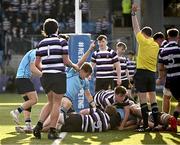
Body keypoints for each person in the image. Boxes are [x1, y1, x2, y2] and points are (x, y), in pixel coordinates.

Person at [33, 18, 79, 140]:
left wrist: (46, 69)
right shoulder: (61, 41)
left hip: (46, 76)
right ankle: (52, 130)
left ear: (45, 30)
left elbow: (37, 64)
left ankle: (38, 126)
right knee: (57, 104)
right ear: (57, 29)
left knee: (50, 102)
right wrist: (75, 66)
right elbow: (66, 61)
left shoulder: (41, 43)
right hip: (58, 75)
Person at [131, 4, 160, 131]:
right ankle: (158, 124)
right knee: (153, 100)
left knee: (143, 101)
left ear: (144, 34)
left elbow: (135, 28)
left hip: (142, 73)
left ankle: (146, 125)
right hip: (152, 74)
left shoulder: (143, 41)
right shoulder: (156, 45)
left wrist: (133, 14)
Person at [60, 41, 97, 120]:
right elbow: (82, 60)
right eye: (87, 75)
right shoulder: (74, 72)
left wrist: (94, 105)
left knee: (74, 118)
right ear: (82, 71)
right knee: (62, 113)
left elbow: (88, 94)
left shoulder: (85, 81)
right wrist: (90, 49)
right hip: (61, 97)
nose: (87, 77)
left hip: (69, 102)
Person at [10, 48, 42, 133]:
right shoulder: (35, 52)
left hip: (20, 79)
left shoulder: (34, 53)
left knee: (28, 102)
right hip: (23, 79)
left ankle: (28, 125)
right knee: (34, 100)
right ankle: (16, 111)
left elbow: (38, 67)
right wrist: (43, 75)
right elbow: (32, 68)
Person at [42, 105, 121, 132]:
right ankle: (41, 129)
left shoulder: (100, 112)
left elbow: (83, 111)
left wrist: (75, 114)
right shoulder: (106, 127)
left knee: (58, 117)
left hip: (79, 119)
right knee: (57, 127)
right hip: (78, 129)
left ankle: (39, 126)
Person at [158, 28, 180, 120]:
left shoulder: (162, 51)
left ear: (168, 37)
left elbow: (160, 68)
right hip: (179, 78)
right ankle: (174, 117)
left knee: (166, 98)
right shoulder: (179, 49)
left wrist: (161, 77)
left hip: (169, 79)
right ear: (178, 37)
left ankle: (165, 120)